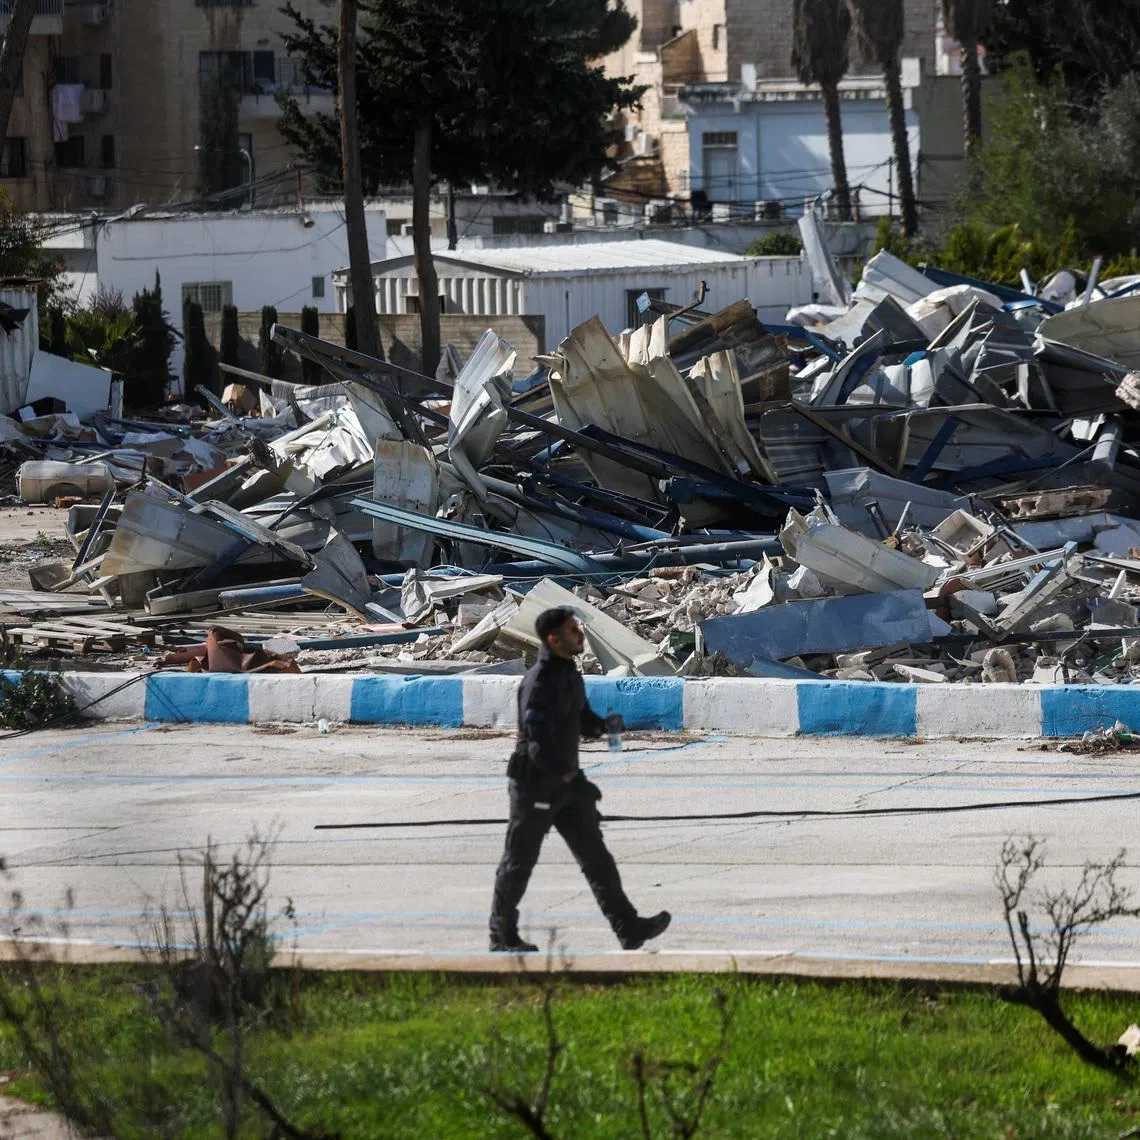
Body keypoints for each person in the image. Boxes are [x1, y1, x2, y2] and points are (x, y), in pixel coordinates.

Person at [489, 606, 671, 952]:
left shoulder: (569, 674)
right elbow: (538, 743)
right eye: (574, 631)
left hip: (567, 786)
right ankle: (501, 936)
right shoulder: (540, 681)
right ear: (554, 639)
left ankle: (629, 928)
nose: (581, 635)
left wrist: (605, 726)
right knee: (518, 862)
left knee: (597, 860)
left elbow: (583, 721)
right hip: (536, 787)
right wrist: (572, 777)